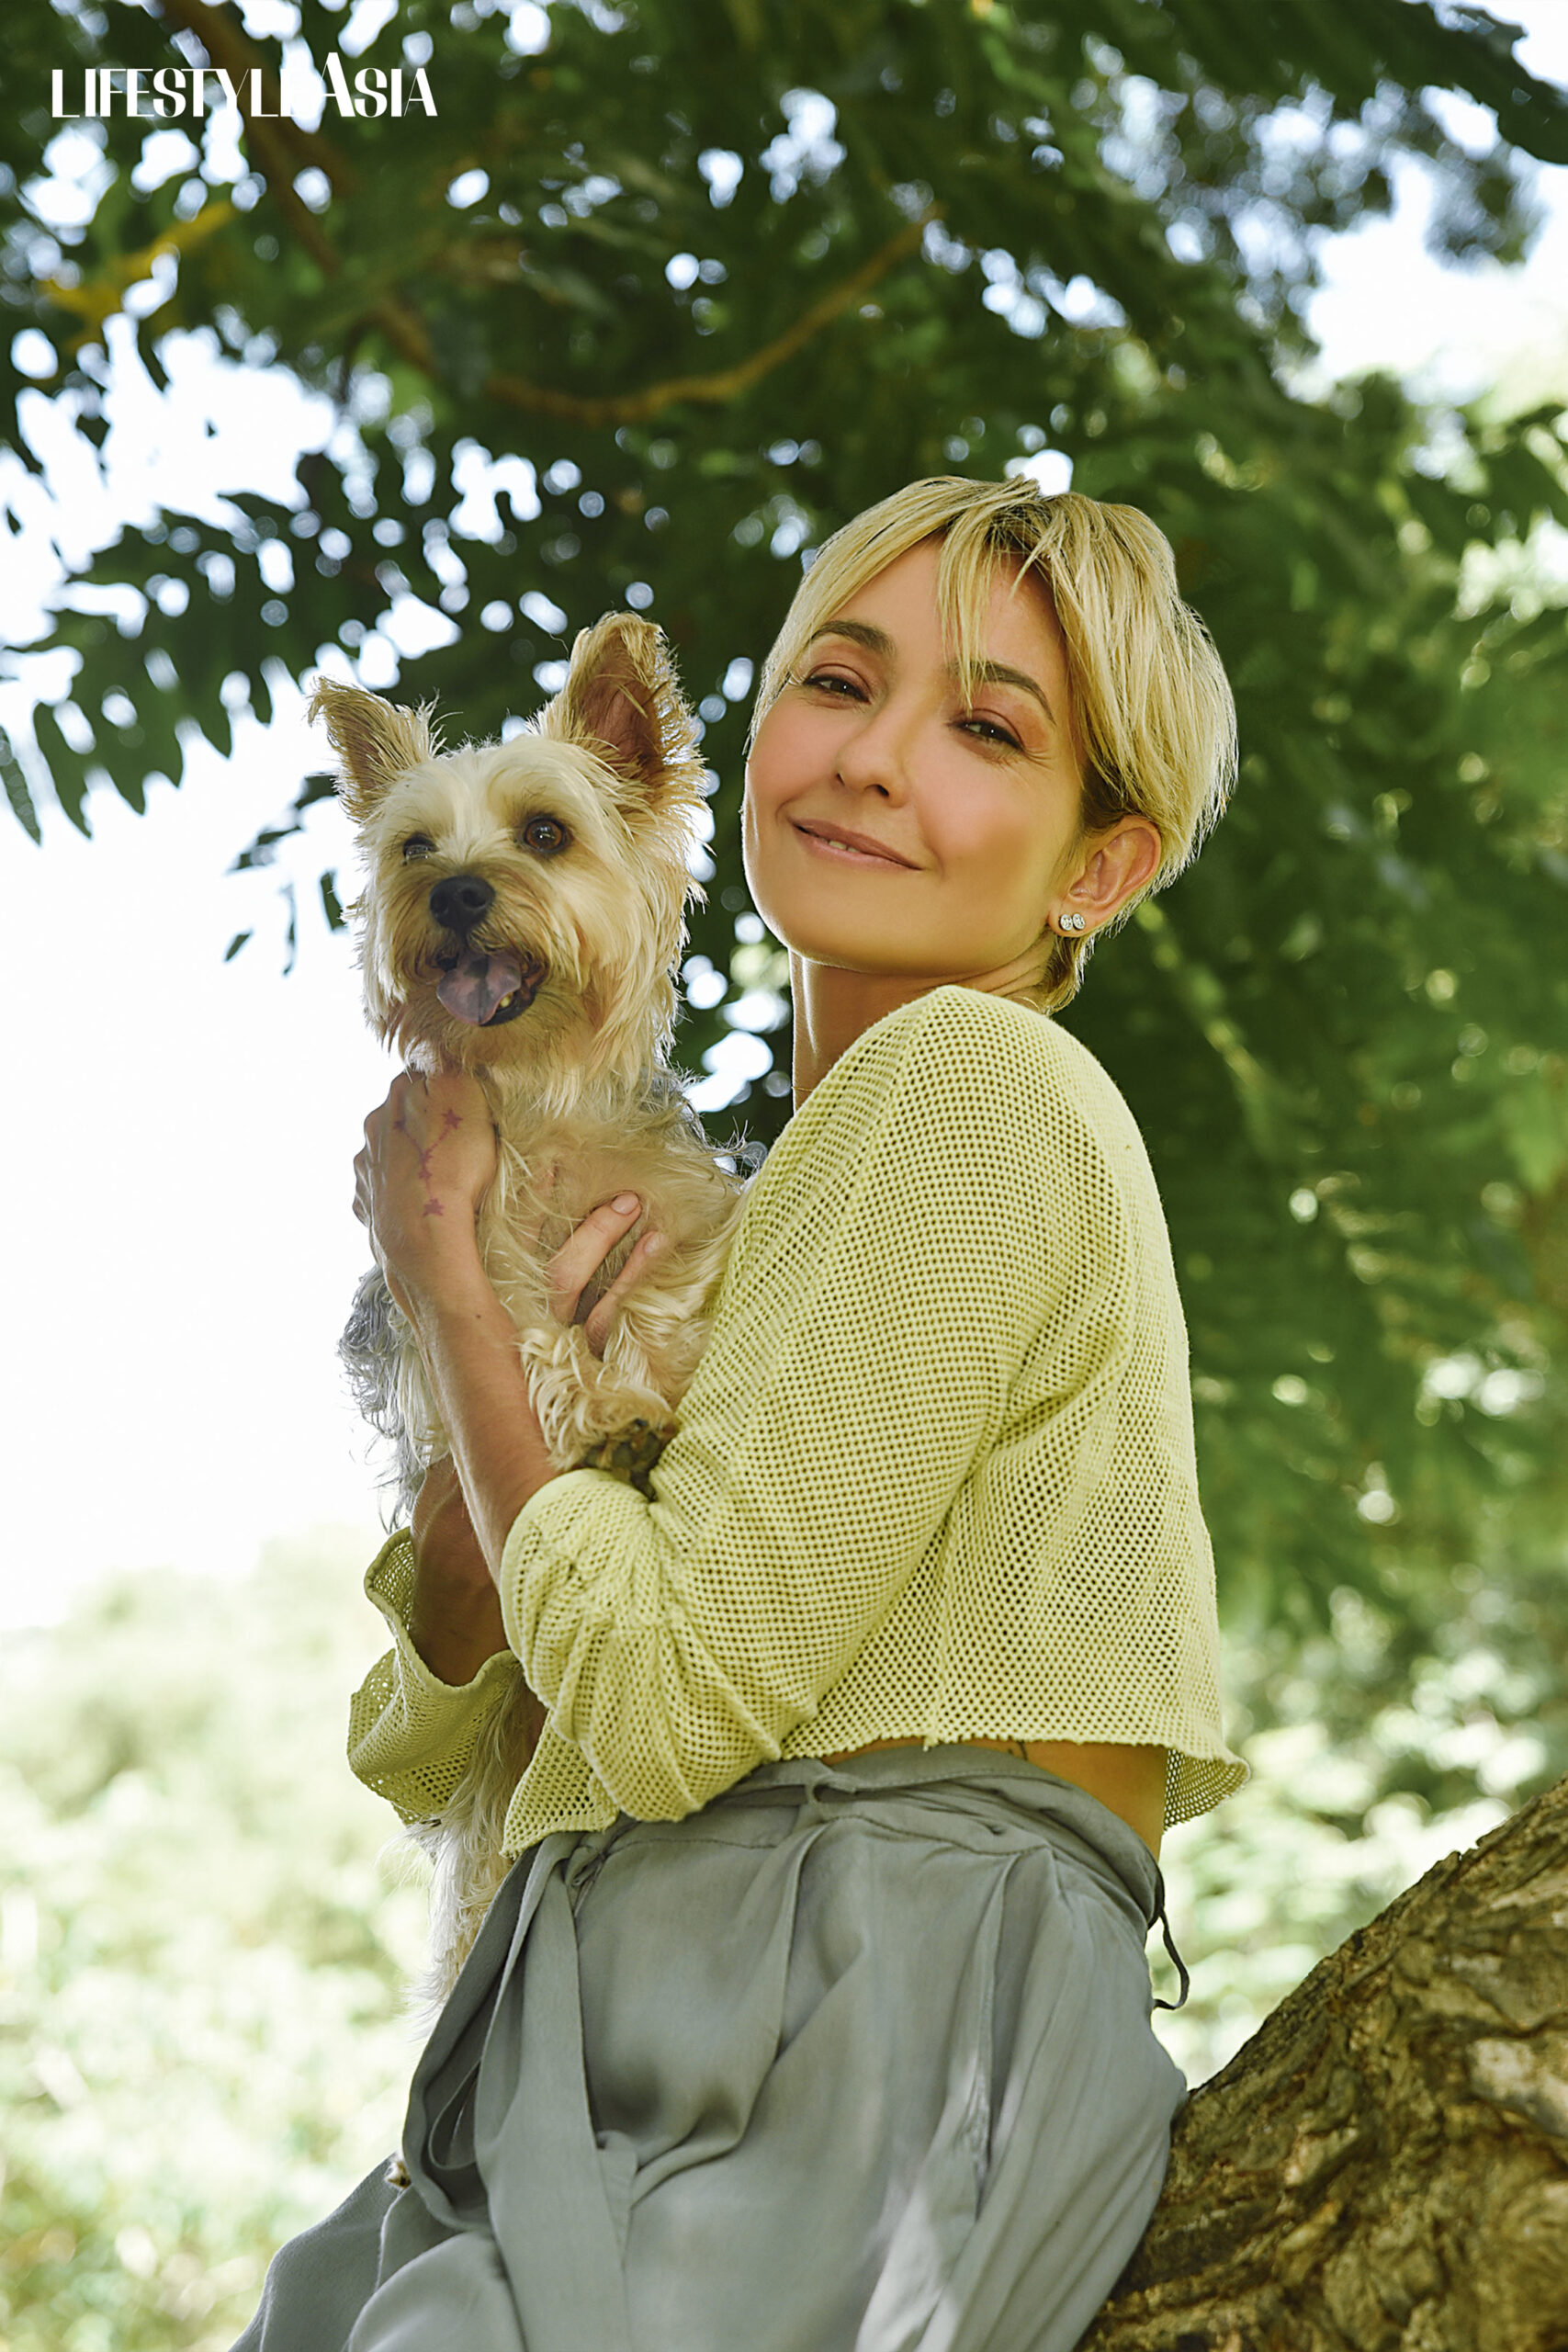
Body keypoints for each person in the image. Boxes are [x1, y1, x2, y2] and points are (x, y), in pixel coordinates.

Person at [233, 475, 1247, 2352]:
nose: (870, 759)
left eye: (983, 727)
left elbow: (661, 1698)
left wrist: (453, 1281)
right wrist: (493, 1425)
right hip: (706, 1991)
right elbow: (434, 1725)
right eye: (837, 680)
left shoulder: (957, 1079)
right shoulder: (791, 1199)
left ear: (1095, 865)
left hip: (856, 1990)